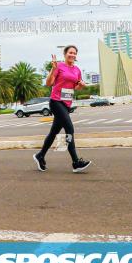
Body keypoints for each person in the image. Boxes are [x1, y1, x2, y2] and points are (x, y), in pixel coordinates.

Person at [34, 45, 91, 173]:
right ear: (65, 54)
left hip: (66, 104)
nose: (73, 55)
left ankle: (40, 155)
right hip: (56, 101)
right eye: (70, 52)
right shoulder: (59, 66)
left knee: (53, 132)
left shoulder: (77, 70)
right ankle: (76, 162)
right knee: (70, 128)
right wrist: (52, 70)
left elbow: (75, 88)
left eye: (75, 53)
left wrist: (81, 85)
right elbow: (49, 83)